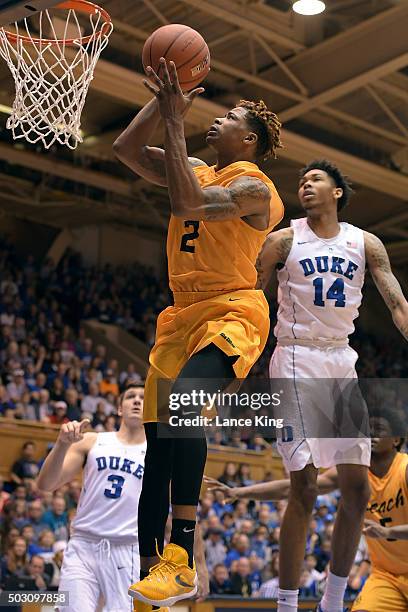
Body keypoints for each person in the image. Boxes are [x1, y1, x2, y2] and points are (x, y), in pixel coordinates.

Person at [113, 57, 284, 608]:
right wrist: (168, 98)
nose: (220, 119)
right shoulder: (195, 168)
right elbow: (125, 150)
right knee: (159, 444)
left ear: (250, 140)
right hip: (179, 315)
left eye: (231, 116)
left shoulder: (256, 188)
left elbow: (188, 204)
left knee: (185, 405)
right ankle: (151, 573)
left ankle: (182, 558)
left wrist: (174, 121)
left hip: (232, 309)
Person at [255, 159, 408, 611]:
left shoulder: (366, 243)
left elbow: (397, 302)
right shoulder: (283, 239)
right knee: (302, 485)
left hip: (341, 357)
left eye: (315, 180)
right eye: (301, 181)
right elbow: (251, 295)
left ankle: (332, 601)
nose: (305, 185)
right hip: (296, 356)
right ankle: (286, 603)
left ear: (337, 192)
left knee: (357, 490)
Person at [206, 406, 408, 611]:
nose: (371, 435)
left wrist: (388, 532)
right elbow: (295, 490)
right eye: (368, 429)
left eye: (379, 429)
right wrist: (240, 492)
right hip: (386, 578)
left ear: (396, 440)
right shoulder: (355, 476)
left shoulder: (404, 470)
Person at [37, 383, 208, 612]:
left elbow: (183, 510)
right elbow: (45, 484)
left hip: (130, 550)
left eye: (142, 397)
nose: (137, 400)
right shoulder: (92, 441)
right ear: (119, 408)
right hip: (83, 546)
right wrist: (61, 444)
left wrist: (201, 564)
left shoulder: (162, 454)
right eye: (130, 397)